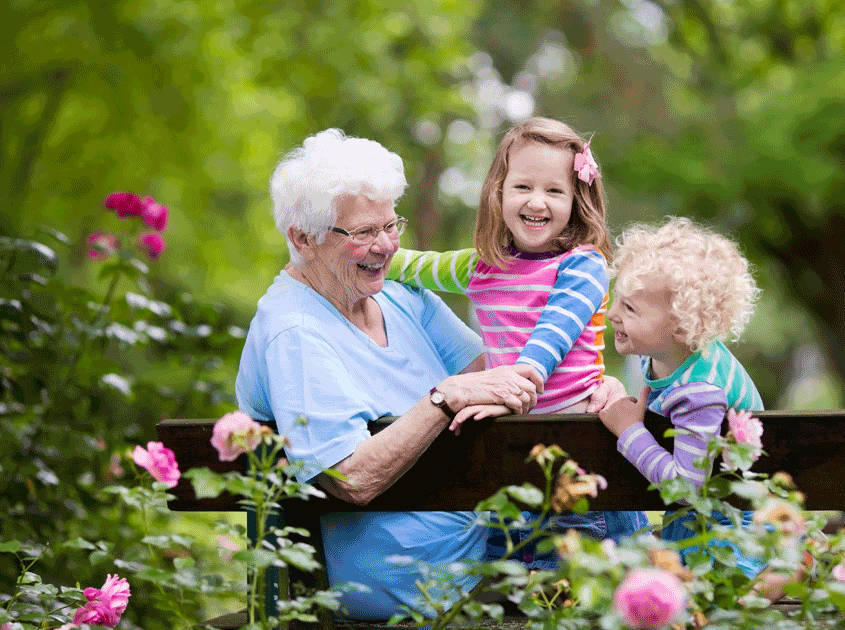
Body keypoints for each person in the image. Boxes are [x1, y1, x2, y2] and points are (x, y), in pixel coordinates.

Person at [234, 128, 622, 620]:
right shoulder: (295, 333)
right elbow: (348, 477)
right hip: (409, 583)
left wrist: (586, 379)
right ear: (302, 238)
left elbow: (496, 371)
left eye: (390, 225)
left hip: (493, 548)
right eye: (362, 233)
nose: (385, 247)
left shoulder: (395, 295)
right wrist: (442, 398)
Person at [386, 117, 649, 568]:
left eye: (554, 191)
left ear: (575, 201)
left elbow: (548, 343)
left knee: (588, 593)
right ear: (499, 193)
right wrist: (371, 255)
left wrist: (511, 390)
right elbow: (416, 265)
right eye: (523, 186)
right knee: (518, 590)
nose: (537, 201)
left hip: (580, 463)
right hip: (514, 463)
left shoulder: (582, 267)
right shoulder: (482, 266)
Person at [598, 216, 799, 600]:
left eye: (630, 308)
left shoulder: (700, 391)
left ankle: (782, 570)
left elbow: (687, 488)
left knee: (719, 599)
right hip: (708, 510)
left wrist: (629, 432)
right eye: (617, 301)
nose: (613, 315)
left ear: (679, 326)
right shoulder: (661, 357)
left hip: (735, 518)